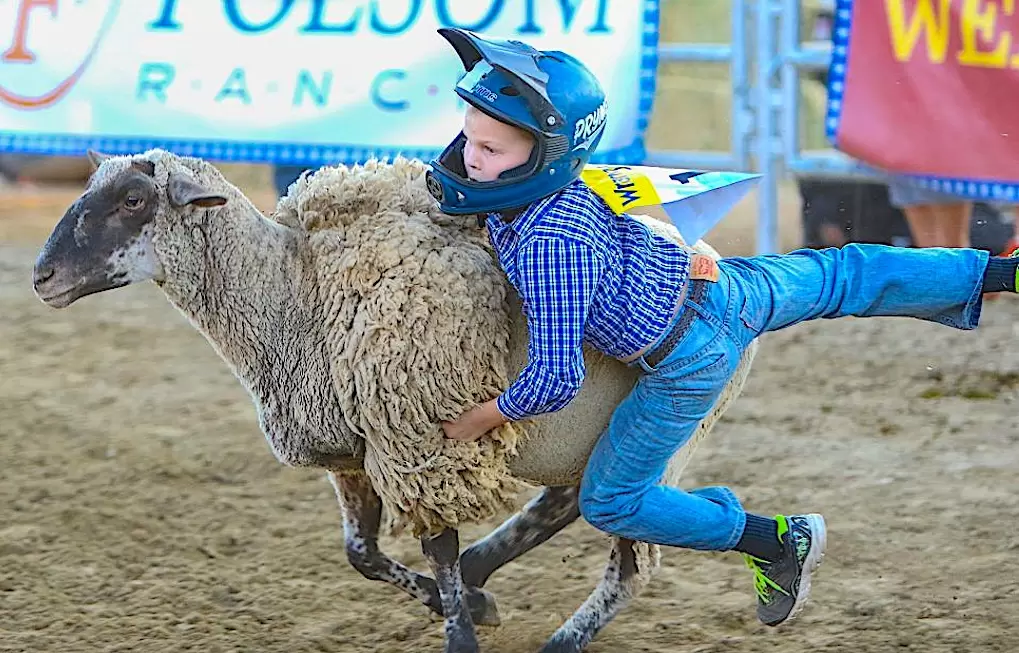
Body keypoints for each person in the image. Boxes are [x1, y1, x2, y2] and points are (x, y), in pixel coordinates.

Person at [425, 27, 1017, 628]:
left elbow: (555, 377)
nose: (472, 157)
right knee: (845, 273)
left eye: (492, 150)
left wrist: (476, 420)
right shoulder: (546, 192)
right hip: (718, 285)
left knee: (611, 500)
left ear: (547, 158)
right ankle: (1001, 273)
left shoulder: (550, 246)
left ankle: (775, 540)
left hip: (686, 357)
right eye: (471, 137)